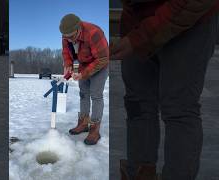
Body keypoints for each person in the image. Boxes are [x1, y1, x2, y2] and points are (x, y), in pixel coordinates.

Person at [110, 0, 219, 179]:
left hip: (191, 15)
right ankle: (140, 173)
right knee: (137, 104)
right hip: (137, 18)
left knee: (179, 108)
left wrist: (138, 38)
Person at [59, 14, 109, 145]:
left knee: (96, 95)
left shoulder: (94, 33)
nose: (68, 39)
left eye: (71, 36)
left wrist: (83, 73)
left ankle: (94, 128)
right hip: (84, 64)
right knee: (83, 94)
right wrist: (68, 64)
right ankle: (84, 123)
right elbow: (66, 51)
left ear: (78, 28)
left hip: (100, 64)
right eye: (66, 37)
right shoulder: (66, 35)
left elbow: (103, 58)